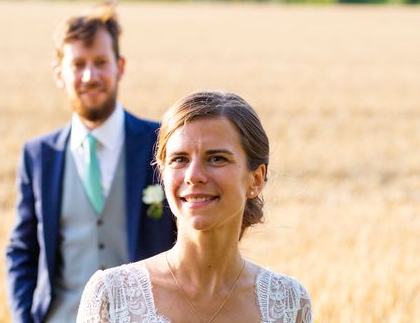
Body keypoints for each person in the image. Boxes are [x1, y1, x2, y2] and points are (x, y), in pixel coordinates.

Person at [6, 1, 176, 323]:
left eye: (100, 62)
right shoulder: (39, 155)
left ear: (120, 66)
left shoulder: (162, 142)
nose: (90, 75)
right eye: (78, 64)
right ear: (59, 74)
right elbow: (22, 251)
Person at [77, 91, 313, 322]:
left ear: (256, 179)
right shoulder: (111, 296)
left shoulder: (288, 303)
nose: (193, 176)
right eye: (180, 159)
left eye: (216, 158)